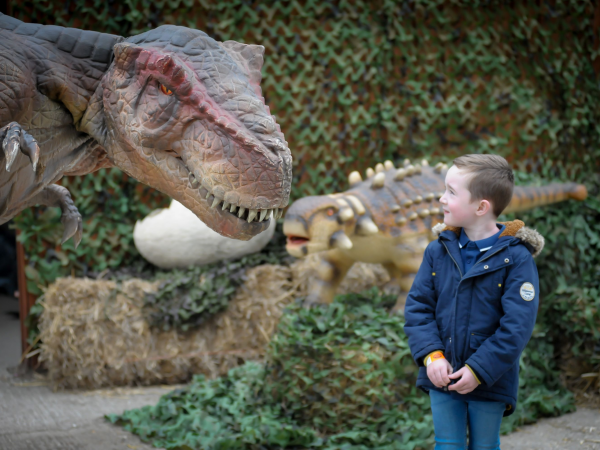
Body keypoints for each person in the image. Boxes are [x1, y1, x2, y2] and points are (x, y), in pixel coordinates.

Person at [403, 154, 544, 449]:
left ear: (481, 207)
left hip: (490, 378)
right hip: (442, 376)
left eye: (451, 192)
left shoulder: (517, 259)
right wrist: (432, 356)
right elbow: (418, 308)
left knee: (484, 445)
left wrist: (479, 369)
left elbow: (517, 326)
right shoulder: (437, 251)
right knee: (447, 444)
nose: (441, 198)